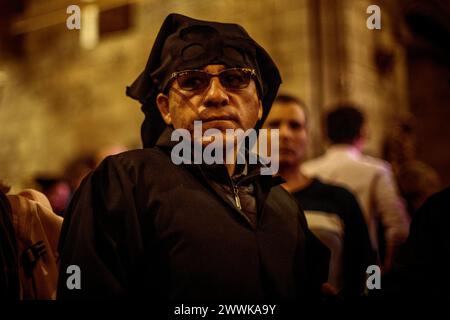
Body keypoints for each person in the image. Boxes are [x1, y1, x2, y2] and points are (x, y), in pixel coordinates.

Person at [57, 13, 329, 301]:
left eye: (235, 79)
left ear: (260, 105)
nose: (215, 95)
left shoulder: (282, 203)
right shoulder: (123, 184)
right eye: (192, 82)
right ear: (165, 108)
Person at [263, 95, 374, 298]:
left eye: (295, 126)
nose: (285, 134)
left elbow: (368, 263)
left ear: (308, 135)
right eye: (274, 125)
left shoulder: (339, 198)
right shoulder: (247, 198)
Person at [302, 105, 410, 273]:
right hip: (365, 268)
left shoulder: (306, 171)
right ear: (363, 132)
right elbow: (398, 229)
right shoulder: (377, 170)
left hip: (315, 267)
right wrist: (385, 270)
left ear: (325, 134)